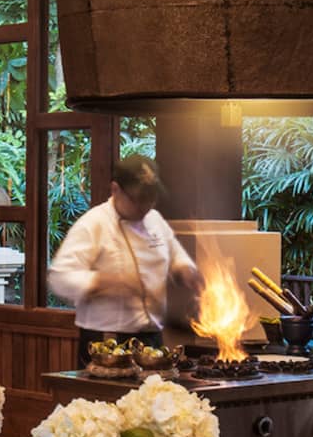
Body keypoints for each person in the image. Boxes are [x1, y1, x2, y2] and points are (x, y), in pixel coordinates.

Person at [49, 156, 203, 365]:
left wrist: (186, 270)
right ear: (115, 190)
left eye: (150, 198)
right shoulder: (93, 224)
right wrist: (103, 282)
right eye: (137, 199)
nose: (144, 206)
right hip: (107, 342)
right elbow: (59, 277)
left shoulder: (154, 220)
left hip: (152, 339)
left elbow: (175, 254)